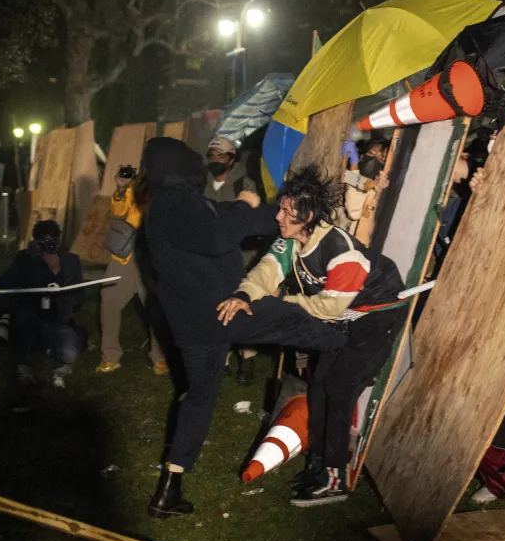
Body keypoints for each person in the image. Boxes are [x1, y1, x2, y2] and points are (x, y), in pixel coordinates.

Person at [142, 139, 344, 518]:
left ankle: (168, 490)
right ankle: (348, 359)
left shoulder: (169, 206)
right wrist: (244, 205)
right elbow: (221, 233)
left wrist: (288, 214)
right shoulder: (174, 203)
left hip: (193, 325)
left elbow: (225, 222)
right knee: (306, 322)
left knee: (198, 399)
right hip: (223, 312)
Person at [219, 166, 406, 507]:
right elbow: (266, 271)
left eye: (285, 212)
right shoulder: (294, 238)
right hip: (343, 312)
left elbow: (327, 310)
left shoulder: (341, 251)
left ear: (306, 216)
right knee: (319, 382)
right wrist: (245, 295)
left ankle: (335, 477)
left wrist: (277, 304)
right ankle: (319, 463)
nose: (277, 216)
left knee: (340, 386)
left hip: (376, 315)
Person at [96, 166, 169, 375]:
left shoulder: (166, 189)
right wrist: (120, 189)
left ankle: (160, 357)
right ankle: (110, 356)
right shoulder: (132, 189)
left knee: (156, 306)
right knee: (109, 301)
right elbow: (118, 211)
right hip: (126, 256)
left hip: (152, 257)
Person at [203, 135, 263, 385]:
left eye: (221, 156)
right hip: (212, 259)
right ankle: (223, 360)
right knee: (215, 307)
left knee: (240, 307)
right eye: (212, 156)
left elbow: (251, 221)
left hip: (240, 257)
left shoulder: (243, 183)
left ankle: (247, 359)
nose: (216, 160)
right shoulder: (201, 184)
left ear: (231, 159)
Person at [0, 220, 85, 388]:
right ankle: (23, 362)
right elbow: (5, 285)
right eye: (44, 241)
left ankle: (54, 352)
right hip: (32, 319)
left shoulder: (71, 261)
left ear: (59, 239)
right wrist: (31, 260)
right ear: (35, 241)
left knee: (69, 354)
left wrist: (66, 295)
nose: (50, 245)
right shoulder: (25, 258)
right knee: (22, 321)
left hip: (59, 320)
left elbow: (80, 298)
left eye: (53, 240)